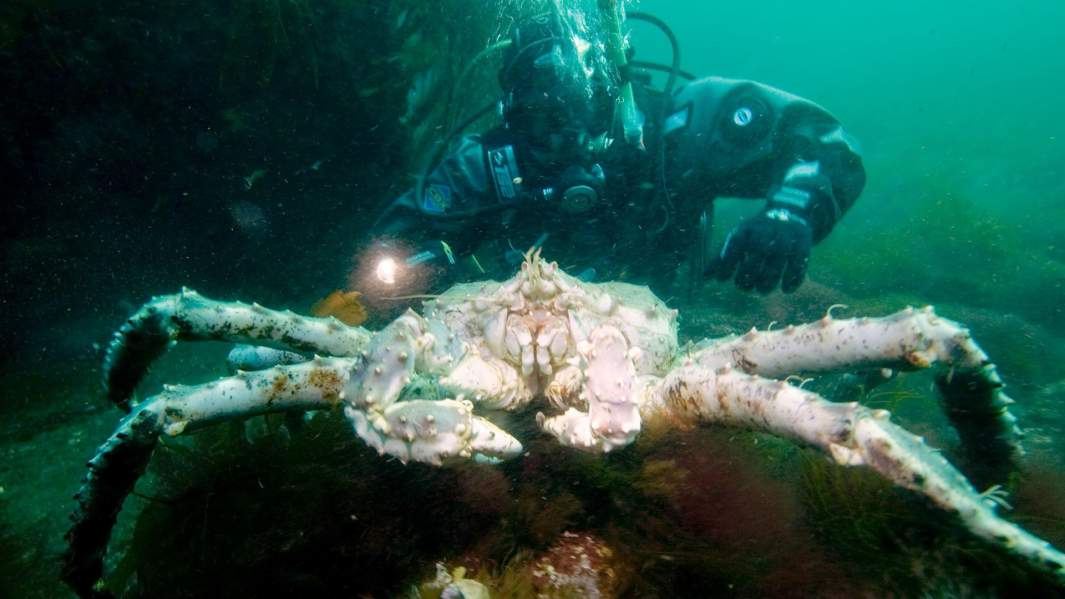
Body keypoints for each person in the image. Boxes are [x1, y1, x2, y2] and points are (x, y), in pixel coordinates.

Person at [360, 10, 865, 303]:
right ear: (511, 115)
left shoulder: (679, 128)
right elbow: (386, 251)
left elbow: (821, 138)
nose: (569, 144)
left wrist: (793, 210)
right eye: (544, 122)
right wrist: (417, 270)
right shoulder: (485, 168)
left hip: (667, 338)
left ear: (616, 92)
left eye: (585, 114)